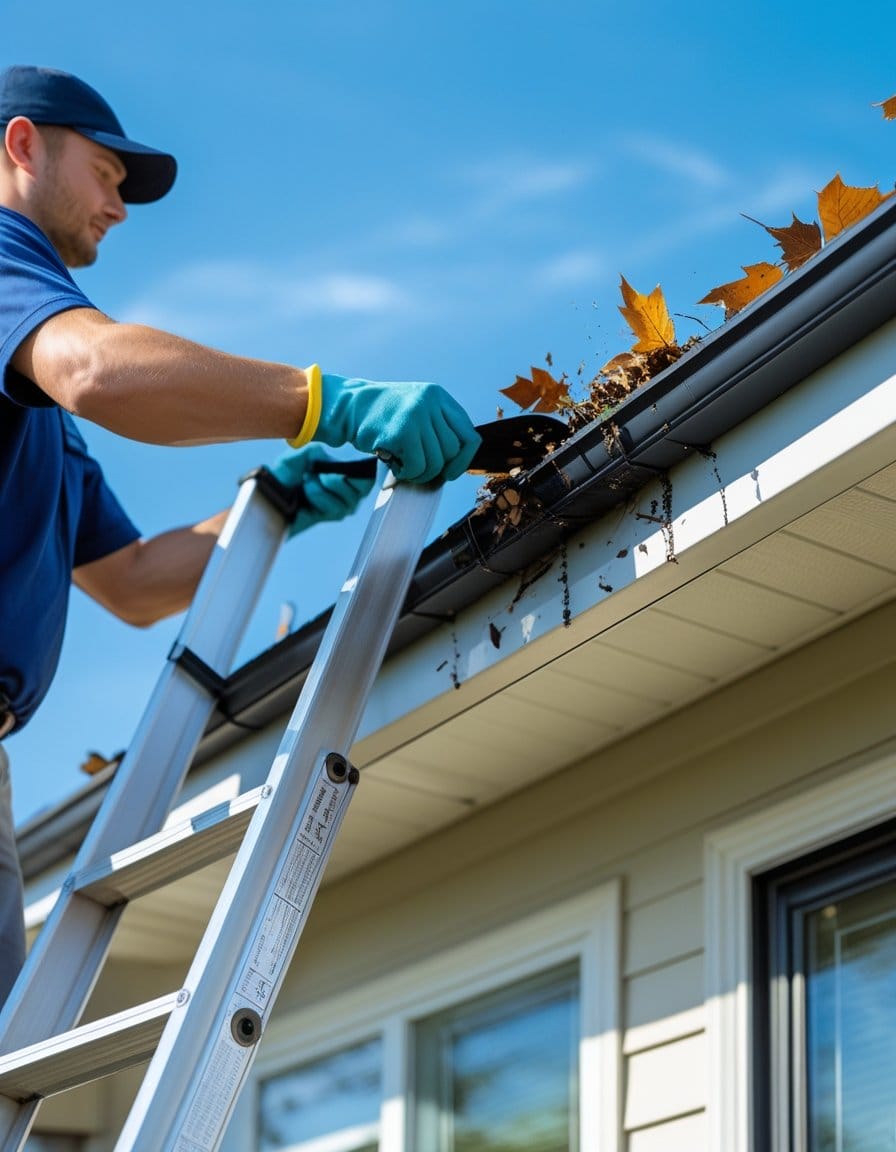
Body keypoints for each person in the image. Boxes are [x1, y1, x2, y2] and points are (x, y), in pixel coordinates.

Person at [0, 65, 481, 1004]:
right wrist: (323, 403)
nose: (121, 205)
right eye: (106, 172)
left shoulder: (32, 414)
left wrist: (279, 502)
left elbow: (134, 581)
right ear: (22, 146)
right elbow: (96, 367)